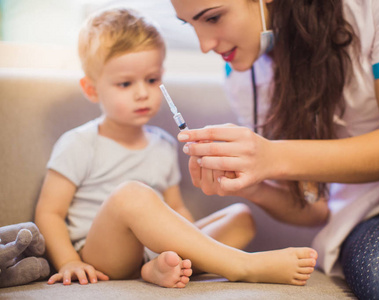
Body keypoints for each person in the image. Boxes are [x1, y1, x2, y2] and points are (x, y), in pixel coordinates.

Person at [170, 0, 379, 298]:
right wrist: (248, 183)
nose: (204, 45)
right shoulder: (244, 81)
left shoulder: (371, 6)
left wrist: (272, 156)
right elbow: (315, 209)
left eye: (213, 18)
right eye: (189, 24)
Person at [34, 7, 318, 289]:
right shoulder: (79, 143)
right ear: (92, 89)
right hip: (103, 257)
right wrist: (69, 261)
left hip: (153, 251)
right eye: (125, 83)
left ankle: (157, 269)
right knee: (131, 195)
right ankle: (241, 265)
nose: (142, 92)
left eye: (152, 80)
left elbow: (177, 209)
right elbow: (49, 213)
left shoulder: (163, 144)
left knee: (240, 217)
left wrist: (191, 243)